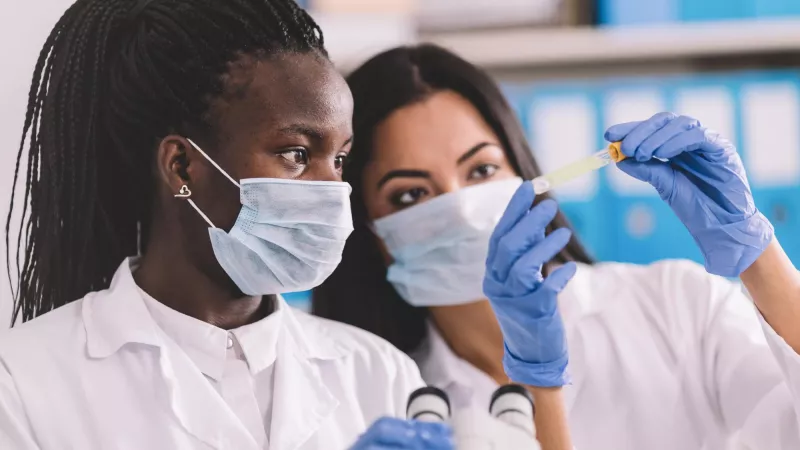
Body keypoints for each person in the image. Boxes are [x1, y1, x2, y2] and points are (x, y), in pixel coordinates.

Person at [0, 1, 457, 449]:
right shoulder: (24, 382)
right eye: (296, 154)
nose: (332, 189)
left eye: (339, 160)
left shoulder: (379, 374)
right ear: (182, 167)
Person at [312, 44, 800, 449]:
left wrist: (757, 254)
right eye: (411, 194)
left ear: (526, 175)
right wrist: (538, 383)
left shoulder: (675, 304)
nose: (460, 209)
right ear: (369, 228)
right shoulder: (384, 396)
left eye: (481, 170)